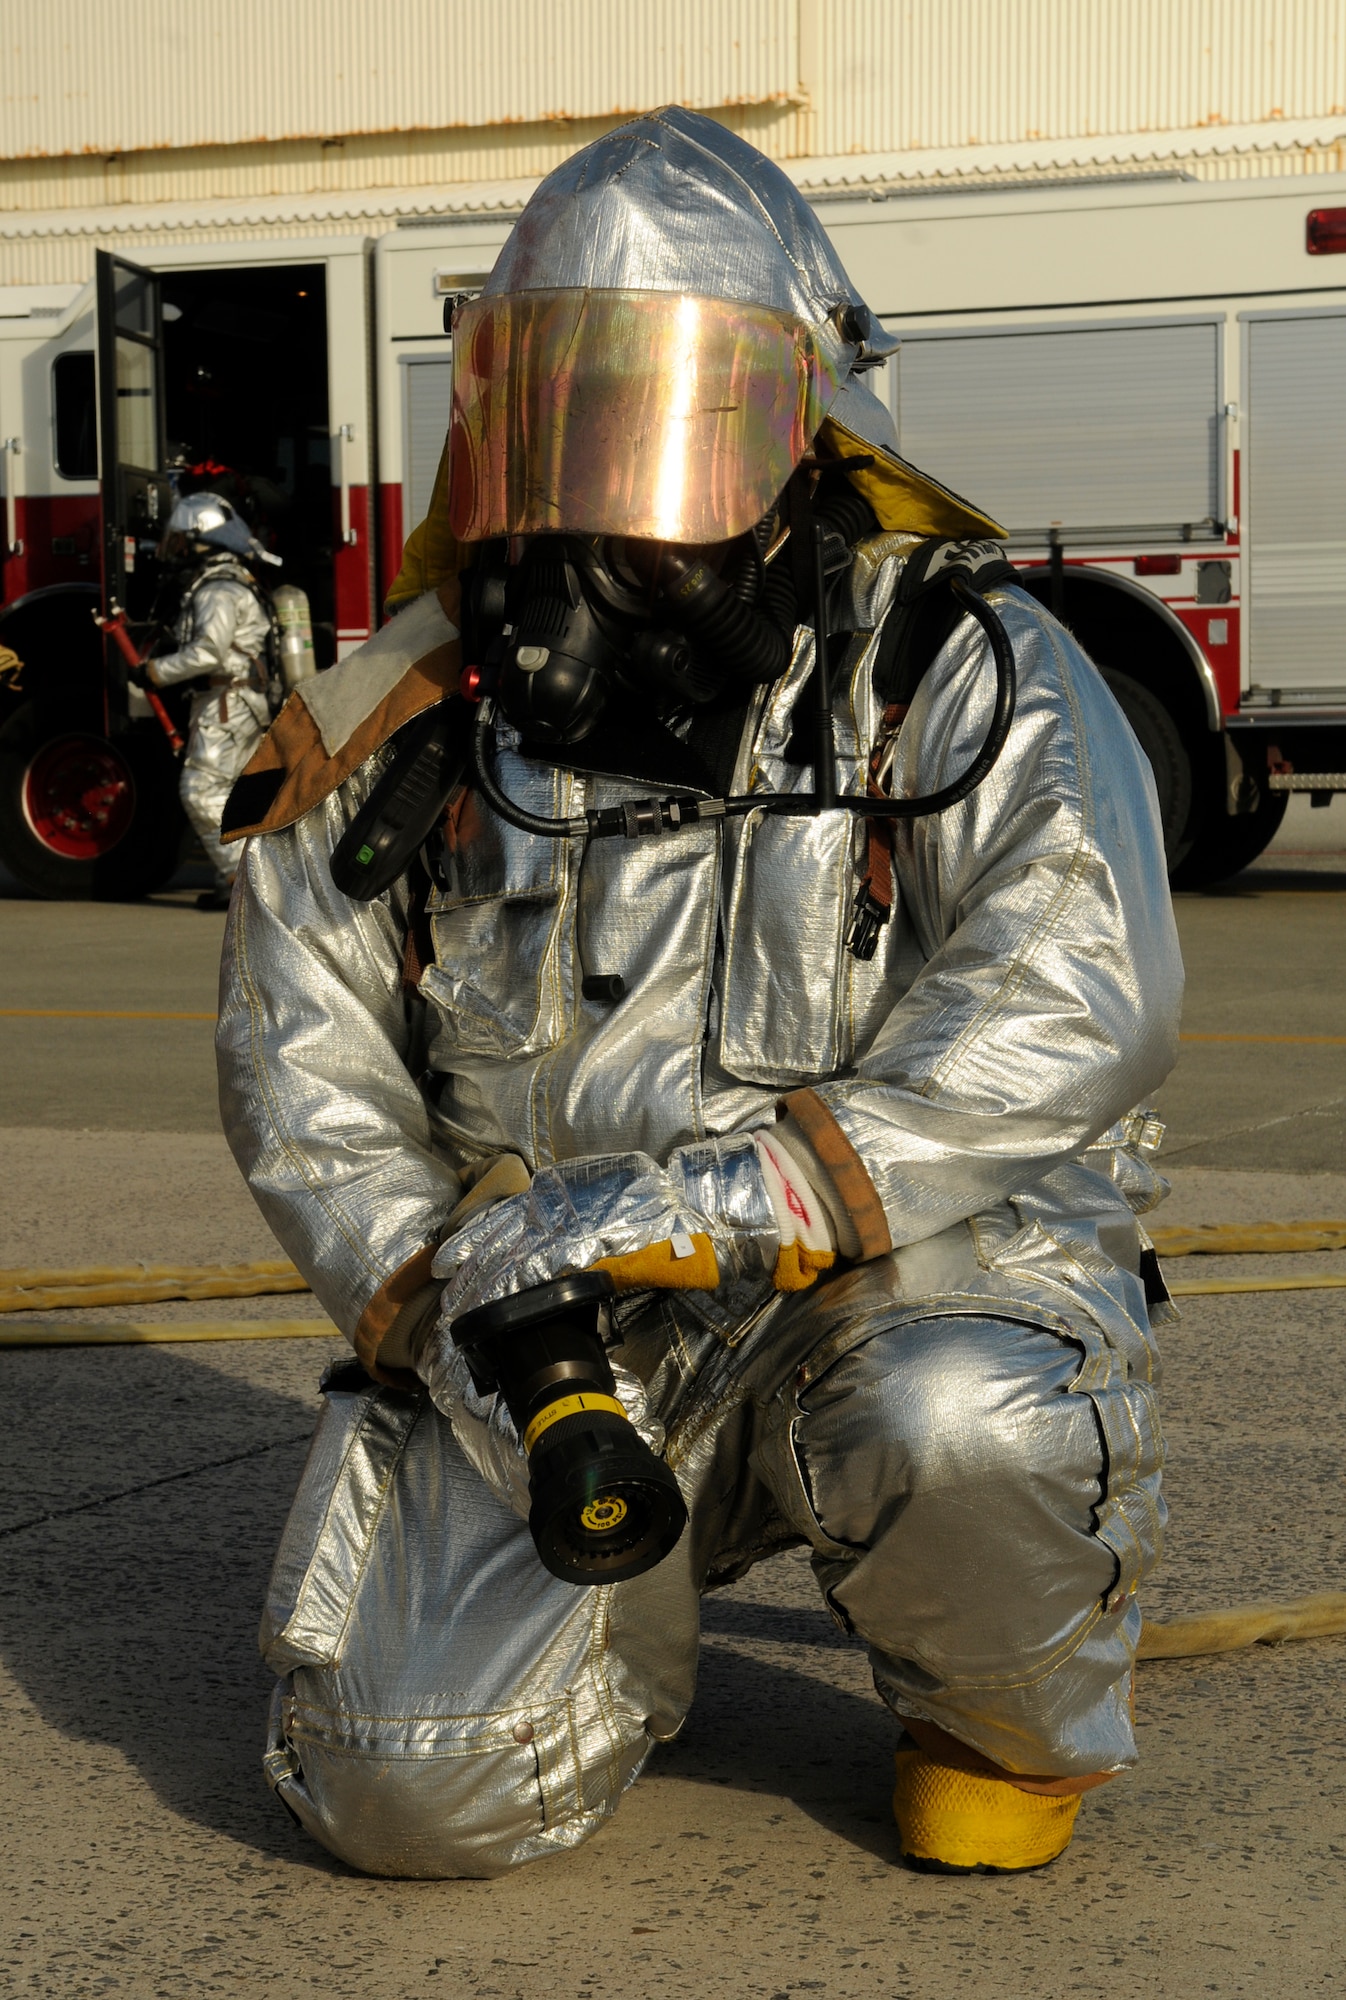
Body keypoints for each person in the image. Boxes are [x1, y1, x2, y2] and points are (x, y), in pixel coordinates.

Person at [216, 107, 1182, 1881]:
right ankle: (621, 1599)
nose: (586, 498)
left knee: (956, 1420)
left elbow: (1082, 996)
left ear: (806, 435)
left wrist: (739, 1193)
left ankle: (996, 1712)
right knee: (401, 1790)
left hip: (887, 1294)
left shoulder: (957, 672)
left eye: (652, 419)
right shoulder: (397, 727)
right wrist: (447, 1311)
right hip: (560, 1338)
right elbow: (306, 1065)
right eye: (549, 413)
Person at [146, 491, 277, 909]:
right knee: (237, 793)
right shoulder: (234, 581)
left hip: (227, 702)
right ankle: (251, 882)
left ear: (201, 539)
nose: (177, 549)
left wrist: (154, 671)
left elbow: (208, 653)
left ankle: (238, 879)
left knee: (200, 789)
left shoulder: (217, 589)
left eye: (183, 539)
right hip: (239, 701)